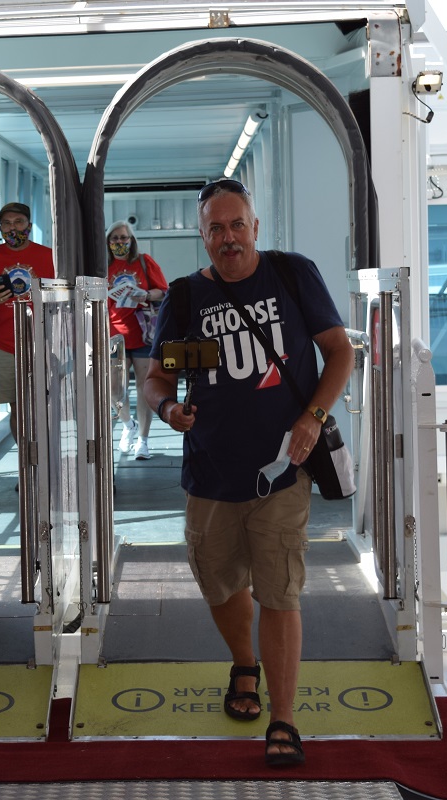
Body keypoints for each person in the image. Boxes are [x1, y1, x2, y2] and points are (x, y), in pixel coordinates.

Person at [142, 180, 353, 767]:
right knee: (219, 581)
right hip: (209, 471)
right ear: (203, 235)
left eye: (238, 225)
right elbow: (155, 376)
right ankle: (244, 662)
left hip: (283, 469)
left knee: (280, 592)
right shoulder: (182, 297)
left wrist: (313, 416)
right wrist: (167, 408)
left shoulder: (292, 274)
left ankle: (283, 718)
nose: (228, 237)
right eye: (216, 228)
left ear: (256, 227)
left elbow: (340, 351)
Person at [0, 202, 56, 444]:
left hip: (45, 343)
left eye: (18, 222)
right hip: (4, 345)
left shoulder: (49, 256)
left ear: (29, 225)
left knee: (45, 406)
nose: (12, 228)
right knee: (18, 409)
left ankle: (48, 464)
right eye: (6, 223)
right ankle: (28, 469)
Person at [105, 220, 169, 460]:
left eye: (124, 238)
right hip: (113, 334)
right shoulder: (103, 266)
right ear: (108, 242)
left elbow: (162, 290)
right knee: (114, 389)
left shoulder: (144, 262)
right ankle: (127, 424)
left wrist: (145, 294)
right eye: (115, 238)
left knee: (144, 388)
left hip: (143, 333)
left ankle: (143, 439)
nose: (120, 242)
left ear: (131, 240)